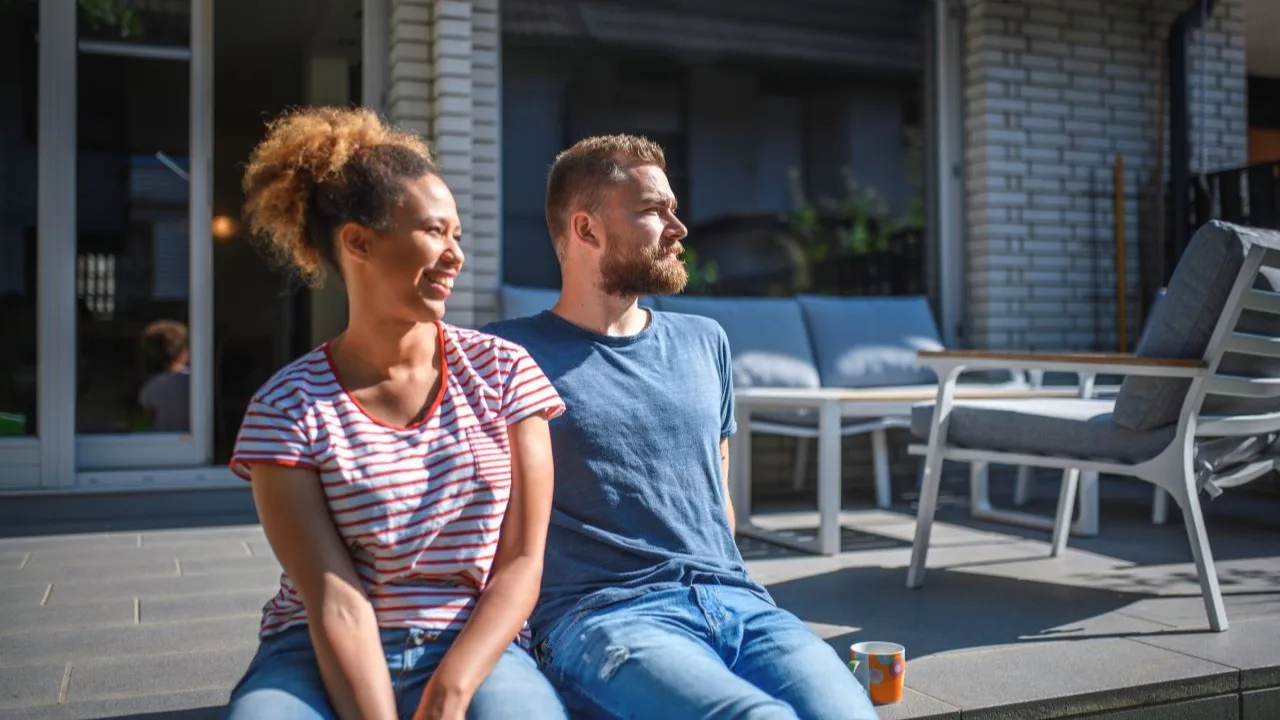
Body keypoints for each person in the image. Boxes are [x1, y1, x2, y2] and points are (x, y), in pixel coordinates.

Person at [482, 134, 878, 719]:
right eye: (652, 210)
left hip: (741, 606)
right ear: (586, 229)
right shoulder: (505, 356)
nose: (679, 227)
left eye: (673, 207)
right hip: (603, 618)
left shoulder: (705, 341)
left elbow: (717, 500)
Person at [223, 106, 569, 720]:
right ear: (359, 242)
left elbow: (521, 563)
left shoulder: (504, 372)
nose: (455, 255)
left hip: (471, 646)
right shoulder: (287, 407)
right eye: (435, 232)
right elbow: (334, 598)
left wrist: (448, 696)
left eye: (457, 235)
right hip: (316, 652)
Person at [137, 319, 190, 432]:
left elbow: (149, 418)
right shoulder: (194, 381)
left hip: (163, 439)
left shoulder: (151, 387)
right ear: (183, 352)